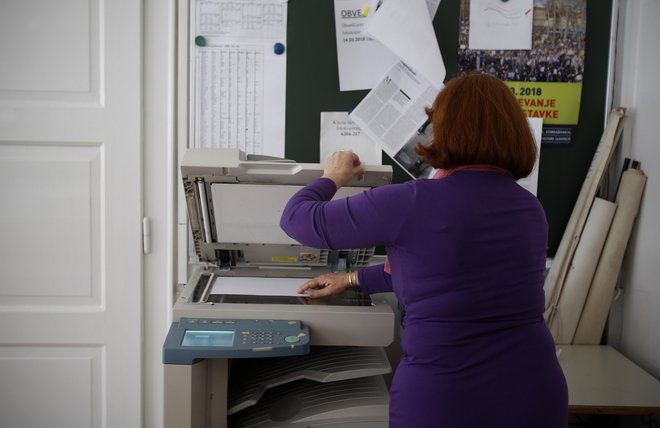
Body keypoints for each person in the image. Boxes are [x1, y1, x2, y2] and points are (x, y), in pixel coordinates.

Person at [279, 73, 568, 427]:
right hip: (533, 390)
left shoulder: (413, 201)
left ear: (443, 129)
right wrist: (353, 278)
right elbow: (449, 273)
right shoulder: (529, 209)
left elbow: (297, 219)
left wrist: (333, 176)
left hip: (446, 395)